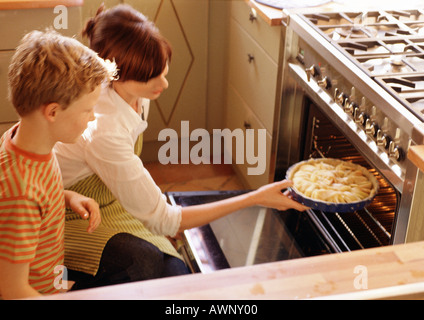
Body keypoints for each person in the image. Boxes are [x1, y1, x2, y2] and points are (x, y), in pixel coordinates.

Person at [54, 4, 308, 290]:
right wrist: (254, 198)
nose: (163, 83)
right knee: (139, 266)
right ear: (115, 74)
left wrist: (153, 207)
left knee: (178, 278)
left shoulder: (132, 91)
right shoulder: (104, 128)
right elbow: (167, 221)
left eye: (162, 70)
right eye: (149, 77)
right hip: (67, 211)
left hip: (109, 200)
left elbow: (141, 193)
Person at [0, 29, 115, 299]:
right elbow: (12, 289)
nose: (92, 118)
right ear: (52, 112)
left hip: (54, 278)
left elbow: (34, 198)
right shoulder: (21, 194)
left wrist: (65, 197)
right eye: (88, 110)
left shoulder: (23, 139)